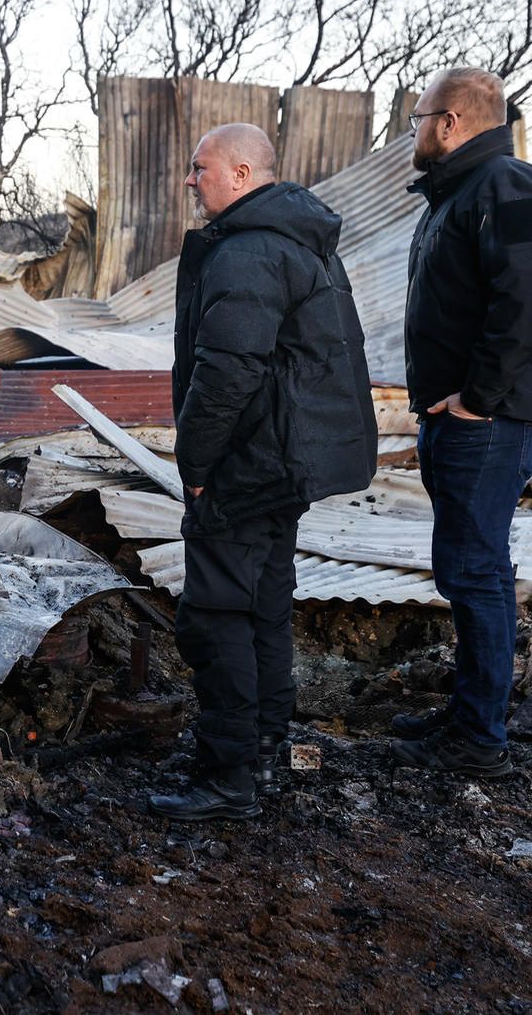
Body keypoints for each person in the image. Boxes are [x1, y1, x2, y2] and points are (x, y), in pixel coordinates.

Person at [150, 124, 378, 821]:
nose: (192, 180)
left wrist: (196, 465)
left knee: (216, 612)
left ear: (242, 173)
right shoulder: (293, 240)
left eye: (201, 168)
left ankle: (228, 776)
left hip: (248, 463)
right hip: (285, 460)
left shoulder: (248, 252)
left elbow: (226, 374)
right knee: (265, 602)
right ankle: (268, 748)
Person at [390, 68, 532, 776]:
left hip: (492, 421)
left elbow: (531, 299)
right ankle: (470, 714)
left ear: (453, 122)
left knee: (478, 570)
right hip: (469, 419)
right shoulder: (461, 191)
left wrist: (478, 398)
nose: (414, 129)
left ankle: (482, 738)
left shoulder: (509, 186)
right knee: (467, 568)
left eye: (419, 118)